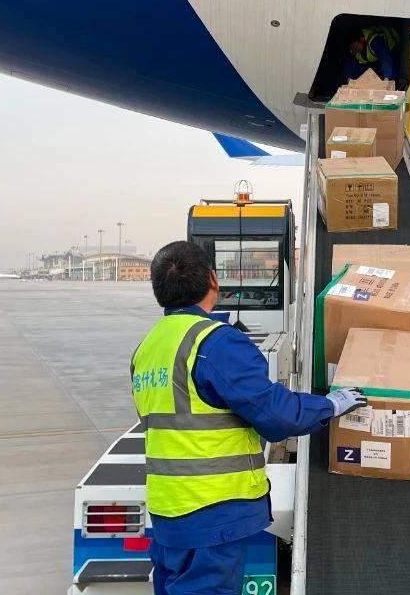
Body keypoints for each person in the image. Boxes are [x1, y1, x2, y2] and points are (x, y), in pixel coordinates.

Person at [133, 240, 367, 595]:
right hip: (211, 512)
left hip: (168, 513)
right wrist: (331, 405)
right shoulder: (215, 344)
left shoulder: (147, 348)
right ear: (213, 280)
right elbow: (275, 416)